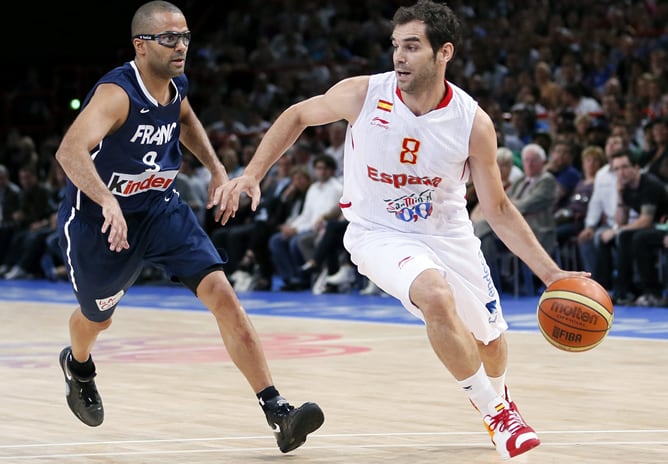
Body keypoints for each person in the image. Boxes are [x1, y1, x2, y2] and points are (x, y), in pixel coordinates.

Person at [214, 1, 587, 459]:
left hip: (448, 234)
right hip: (377, 231)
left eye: (412, 47)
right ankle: (496, 413)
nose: (399, 57)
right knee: (434, 294)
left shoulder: (473, 122)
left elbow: (499, 208)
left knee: (489, 340)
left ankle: (499, 399)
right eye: (396, 46)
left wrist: (553, 276)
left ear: (443, 53)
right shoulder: (363, 94)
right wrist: (253, 173)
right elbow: (296, 115)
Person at [53, 1, 323, 454]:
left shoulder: (175, 85)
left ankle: (277, 410)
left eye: (185, 37)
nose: (180, 46)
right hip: (101, 221)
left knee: (224, 295)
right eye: (168, 39)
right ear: (141, 45)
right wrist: (107, 201)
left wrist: (217, 169)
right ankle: (78, 366)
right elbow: (69, 151)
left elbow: (185, 119)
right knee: (98, 318)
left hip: (160, 210)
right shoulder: (117, 94)